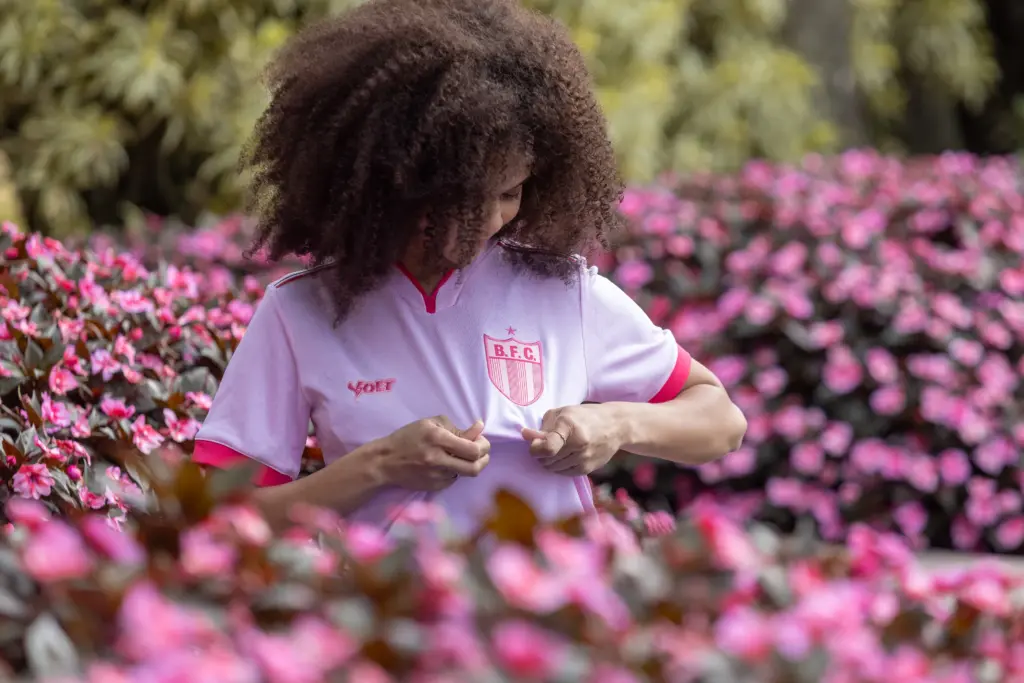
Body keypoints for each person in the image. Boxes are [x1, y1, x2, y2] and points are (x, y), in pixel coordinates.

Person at [192, 0, 747, 535]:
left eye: (508, 192)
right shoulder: (299, 313)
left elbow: (720, 420)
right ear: (385, 184)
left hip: (554, 624)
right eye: (457, 198)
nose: (485, 220)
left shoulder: (564, 292)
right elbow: (220, 515)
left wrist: (617, 424)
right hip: (385, 619)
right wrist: (377, 465)